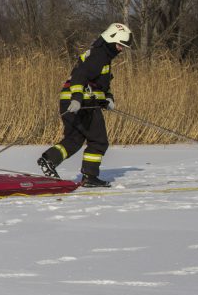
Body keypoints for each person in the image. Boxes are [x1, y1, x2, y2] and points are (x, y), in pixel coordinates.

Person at [37, 23, 132, 187]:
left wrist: (108, 98)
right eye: (119, 45)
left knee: (74, 139)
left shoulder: (100, 56)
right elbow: (80, 75)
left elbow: (100, 84)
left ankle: (49, 159)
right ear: (110, 40)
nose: (121, 50)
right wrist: (77, 98)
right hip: (82, 103)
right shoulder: (100, 56)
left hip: (74, 101)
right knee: (99, 141)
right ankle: (90, 177)